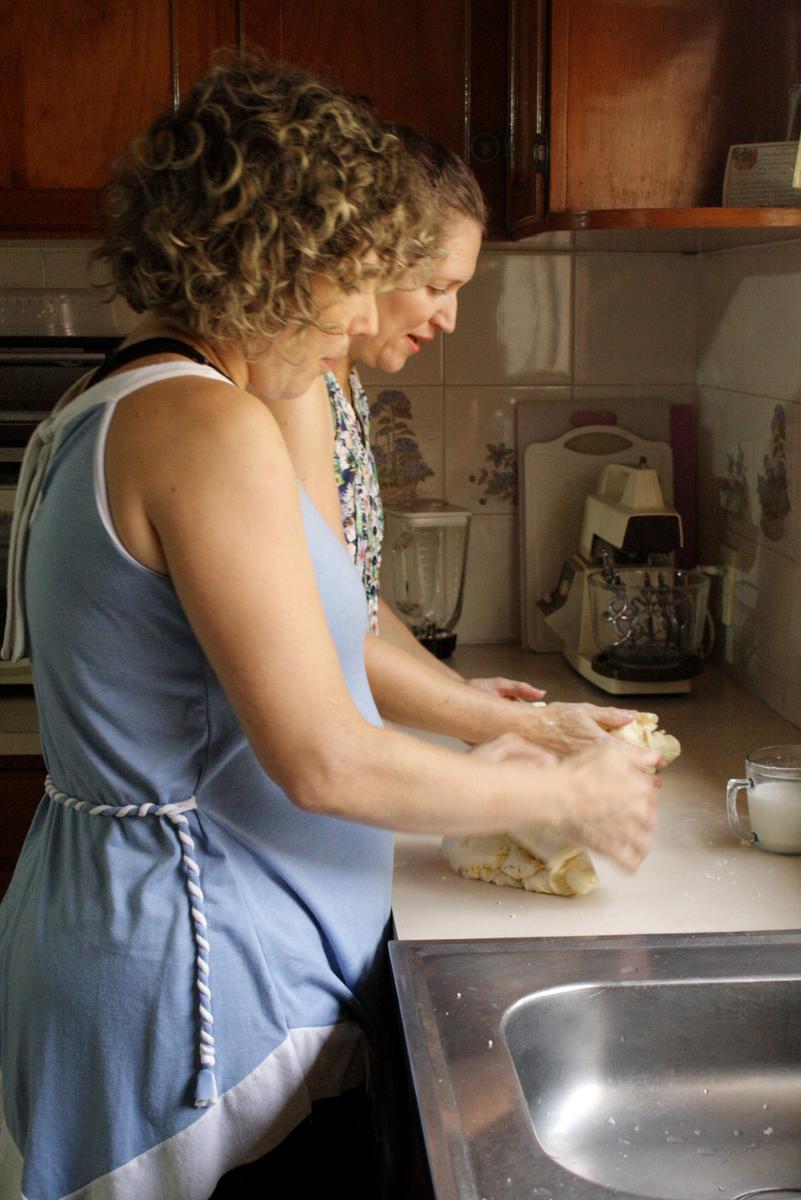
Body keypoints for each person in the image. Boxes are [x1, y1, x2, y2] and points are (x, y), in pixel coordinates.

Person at [0, 55, 659, 1200]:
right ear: (274, 258)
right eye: (357, 277)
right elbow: (322, 758)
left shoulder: (131, 400)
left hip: (171, 953)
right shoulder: (203, 428)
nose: (366, 319)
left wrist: (523, 738)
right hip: (183, 985)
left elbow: (327, 636)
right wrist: (569, 796)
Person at [260, 126, 637, 755]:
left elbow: (355, 604)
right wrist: (509, 725)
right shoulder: (297, 391)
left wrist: (460, 694)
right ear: (364, 259)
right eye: (436, 287)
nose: (450, 318)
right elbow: (322, 630)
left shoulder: (341, 382)